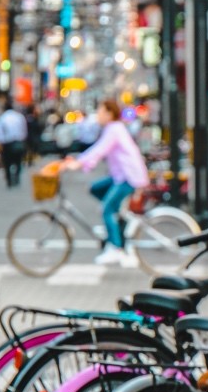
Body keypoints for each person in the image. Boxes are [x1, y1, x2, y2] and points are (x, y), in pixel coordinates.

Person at [59, 96, 149, 268]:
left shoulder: (115, 129)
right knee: (94, 189)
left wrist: (78, 163)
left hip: (129, 176)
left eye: (100, 112)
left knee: (106, 209)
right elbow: (97, 149)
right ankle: (116, 219)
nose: (98, 116)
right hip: (120, 175)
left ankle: (116, 248)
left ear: (109, 113)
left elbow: (100, 149)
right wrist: (80, 160)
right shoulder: (112, 128)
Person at [0, 98, 29, 187]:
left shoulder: (1, 118)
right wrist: (23, 139)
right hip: (18, 141)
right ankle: (17, 177)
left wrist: (0, 144)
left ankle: (9, 179)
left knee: (7, 162)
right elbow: (24, 130)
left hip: (7, 143)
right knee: (18, 161)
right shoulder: (19, 117)